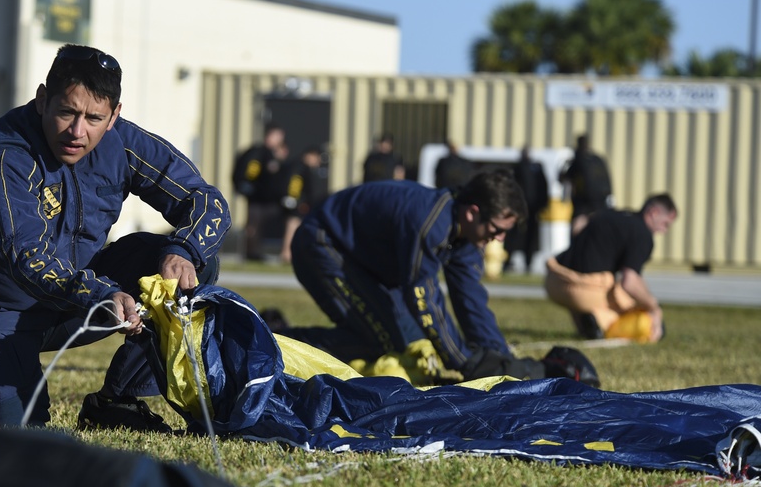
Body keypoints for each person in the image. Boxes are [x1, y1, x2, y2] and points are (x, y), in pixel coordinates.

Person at [0, 44, 231, 427]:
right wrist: (101, 294)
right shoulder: (4, 153)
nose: (78, 131)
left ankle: (118, 402)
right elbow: (27, 259)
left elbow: (207, 201)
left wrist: (184, 248)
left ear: (114, 116)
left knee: (194, 269)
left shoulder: (121, 141)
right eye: (66, 112)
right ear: (42, 100)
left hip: (77, 302)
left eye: (94, 118)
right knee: (18, 433)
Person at [280, 169, 545, 382]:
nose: (500, 238)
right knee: (383, 342)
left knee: (402, 341)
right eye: (497, 229)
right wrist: (465, 362)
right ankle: (272, 341)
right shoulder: (429, 223)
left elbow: (470, 298)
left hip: (366, 262)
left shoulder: (466, 234)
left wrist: (497, 356)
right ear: (472, 212)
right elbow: (423, 296)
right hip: (322, 245)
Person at [544, 194, 678, 343]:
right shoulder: (642, 234)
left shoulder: (613, 215)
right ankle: (600, 320)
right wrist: (654, 307)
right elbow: (630, 282)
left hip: (553, 280)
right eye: (666, 224)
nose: (664, 231)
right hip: (582, 290)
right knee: (633, 307)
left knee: (603, 278)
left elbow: (580, 229)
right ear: (654, 213)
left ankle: (585, 321)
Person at [232, 124, 286, 260]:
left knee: (258, 225)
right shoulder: (260, 152)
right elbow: (252, 172)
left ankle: (254, 251)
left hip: (264, 198)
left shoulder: (268, 153)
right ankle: (250, 252)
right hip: (257, 197)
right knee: (253, 225)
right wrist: (249, 187)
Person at [277, 146, 328, 264]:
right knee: (292, 224)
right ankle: (286, 253)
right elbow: (294, 185)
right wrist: (296, 201)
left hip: (298, 202)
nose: (317, 162)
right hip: (296, 203)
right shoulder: (299, 167)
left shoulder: (299, 166)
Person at [503, 146, 549, 274]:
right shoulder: (519, 168)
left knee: (526, 236)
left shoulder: (532, 168)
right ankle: (510, 262)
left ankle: (526, 263)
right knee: (515, 235)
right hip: (521, 208)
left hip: (531, 208)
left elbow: (543, 187)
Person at [562, 134, 613, 236]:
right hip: (601, 204)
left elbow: (565, 177)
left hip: (583, 205)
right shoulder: (599, 159)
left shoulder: (578, 160)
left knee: (577, 234)